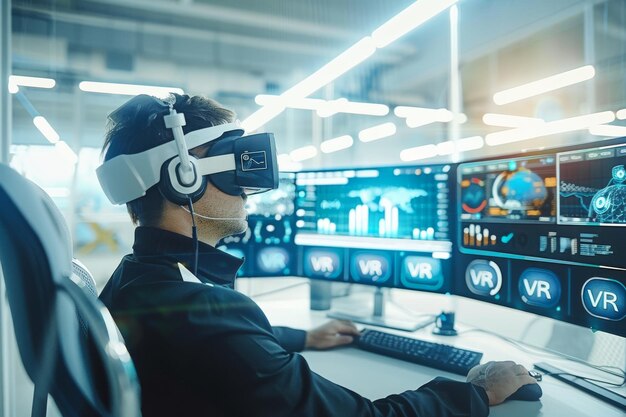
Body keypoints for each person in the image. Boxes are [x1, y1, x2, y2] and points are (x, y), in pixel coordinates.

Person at [98, 93, 538, 417]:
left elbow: (226, 348)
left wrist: (302, 337)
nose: (248, 189)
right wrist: (476, 392)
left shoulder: (134, 279)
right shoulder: (204, 310)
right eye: (233, 164)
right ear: (185, 176)